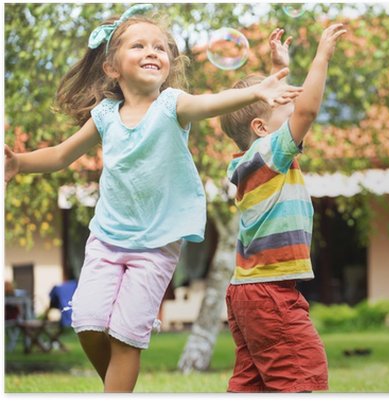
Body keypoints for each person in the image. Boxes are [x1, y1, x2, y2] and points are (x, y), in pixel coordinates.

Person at [4, 4, 301, 392]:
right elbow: (61, 154)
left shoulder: (172, 104)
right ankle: (118, 387)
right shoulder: (106, 115)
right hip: (107, 237)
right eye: (139, 46)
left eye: (160, 47)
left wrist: (258, 91)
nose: (152, 52)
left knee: (127, 336)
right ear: (112, 67)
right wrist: (18, 164)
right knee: (87, 324)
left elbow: (211, 103)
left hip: (157, 243)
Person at [219, 23, 347, 392]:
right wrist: (321, 57)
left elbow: (291, 108)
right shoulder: (268, 153)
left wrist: (281, 70)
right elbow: (306, 113)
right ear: (261, 127)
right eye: (285, 105)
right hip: (269, 291)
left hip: (248, 290)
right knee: (301, 372)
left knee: (254, 382)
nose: (294, 109)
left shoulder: (252, 159)